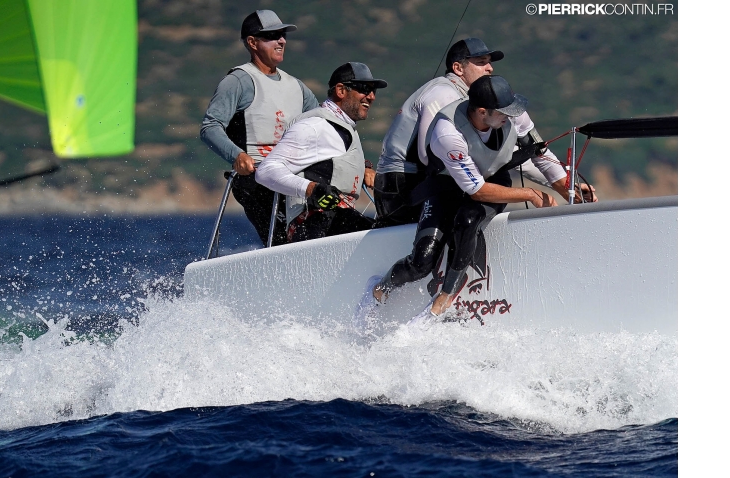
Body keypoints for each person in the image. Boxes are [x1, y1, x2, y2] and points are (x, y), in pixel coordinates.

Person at [356, 75, 598, 325]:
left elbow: (539, 153)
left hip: (495, 179)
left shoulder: (514, 115)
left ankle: (445, 298)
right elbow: (476, 190)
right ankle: (379, 288)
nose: (510, 116)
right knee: (421, 261)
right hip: (448, 185)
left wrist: (569, 188)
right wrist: (530, 194)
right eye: (503, 112)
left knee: (467, 220)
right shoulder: (447, 132)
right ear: (482, 112)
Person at [200, 10, 319, 246]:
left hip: (295, 176)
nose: (282, 40)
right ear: (252, 42)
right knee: (286, 243)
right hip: (257, 180)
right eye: (273, 36)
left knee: (318, 232)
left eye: (282, 35)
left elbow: (325, 126)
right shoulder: (238, 81)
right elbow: (210, 127)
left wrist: (363, 166)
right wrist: (237, 155)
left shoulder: (297, 86)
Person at [373, 38, 503, 228]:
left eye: (489, 62)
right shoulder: (444, 93)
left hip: (407, 182)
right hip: (401, 185)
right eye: (482, 62)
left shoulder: (463, 96)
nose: (490, 68)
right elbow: (429, 157)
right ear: (458, 68)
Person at [255, 62, 387, 243]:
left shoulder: (343, 128)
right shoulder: (315, 126)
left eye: (374, 91)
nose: (371, 96)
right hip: (314, 225)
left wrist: (363, 168)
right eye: (364, 89)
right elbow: (265, 171)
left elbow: (331, 161)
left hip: (337, 223)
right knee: (385, 237)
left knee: (386, 231)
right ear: (341, 91)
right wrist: (311, 189)